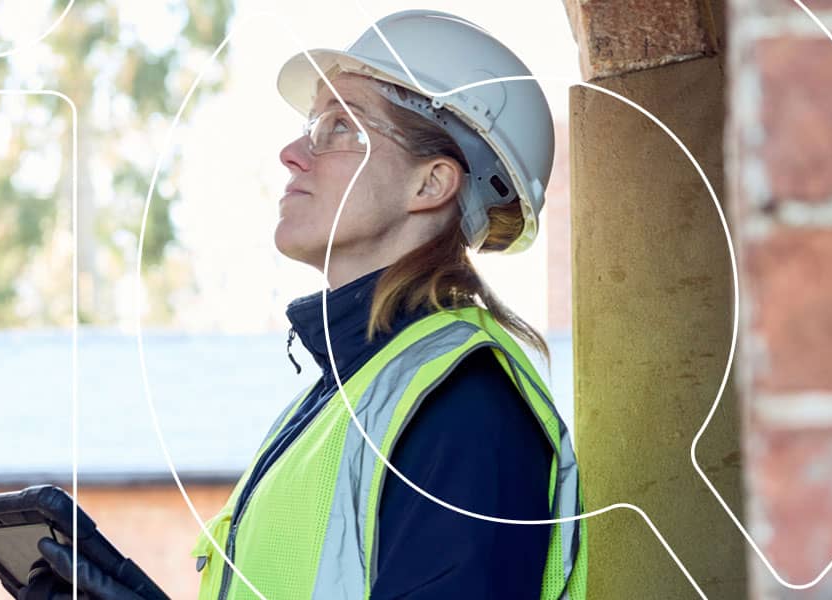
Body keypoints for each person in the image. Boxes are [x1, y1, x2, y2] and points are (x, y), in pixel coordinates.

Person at [33, 9, 588, 600]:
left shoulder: (464, 403)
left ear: (430, 184)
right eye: (310, 125)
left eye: (341, 126)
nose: (293, 152)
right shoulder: (352, 397)